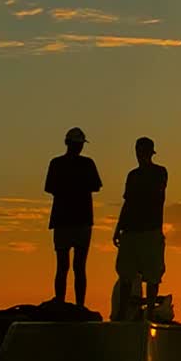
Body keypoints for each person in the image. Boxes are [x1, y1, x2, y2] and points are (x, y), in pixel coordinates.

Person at [44, 127, 102, 307]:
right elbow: (96, 186)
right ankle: (77, 305)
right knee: (76, 267)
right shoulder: (86, 164)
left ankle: (66, 304)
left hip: (65, 220)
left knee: (65, 266)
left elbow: (50, 188)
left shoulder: (57, 163)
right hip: (78, 221)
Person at [112, 137, 167, 320]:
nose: (140, 155)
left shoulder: (160, 172)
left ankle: (150, 313)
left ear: (150, 153)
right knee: (126, 274)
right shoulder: (132, 175)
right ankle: (121, 313)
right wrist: (119, 227)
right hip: (131, 231)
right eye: (138, 151)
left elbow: (151, 195)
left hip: (150, 230)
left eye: (143, 151)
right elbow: (127, 202)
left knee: (152, 275)